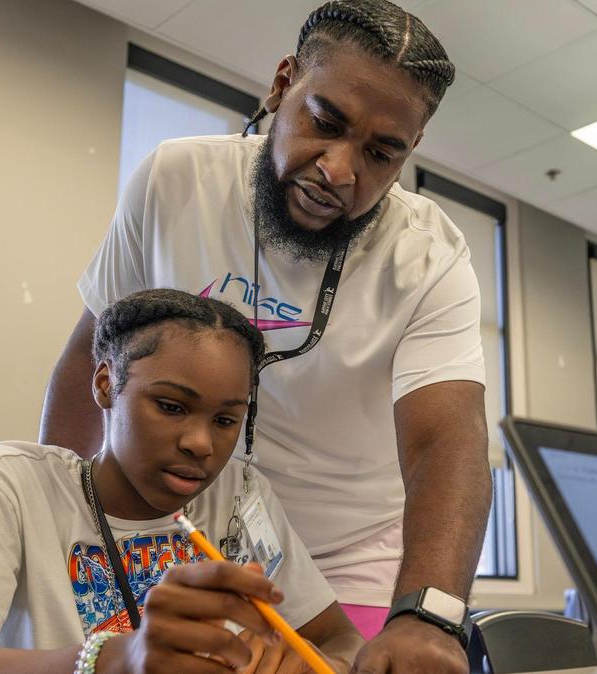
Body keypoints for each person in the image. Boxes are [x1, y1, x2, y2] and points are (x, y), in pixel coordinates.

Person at [41, 1, 491, 671]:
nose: (340, 170)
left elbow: (447, 439)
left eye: (380, 152)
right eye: (325, 123)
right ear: (283, 84)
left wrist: (428, 613)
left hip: (348, 566)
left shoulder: (429, 258)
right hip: (178, 539)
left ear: (408, 154)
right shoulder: (176, 180)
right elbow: (91, 356)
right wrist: (57, 536)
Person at [0, 289, 363, 673]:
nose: (201, 443)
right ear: (104, 385)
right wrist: (117, 658)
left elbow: (341, 639)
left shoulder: (239, 493)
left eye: (225, 420)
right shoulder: (4, 485)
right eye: (171, 407)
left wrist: (316, 664)